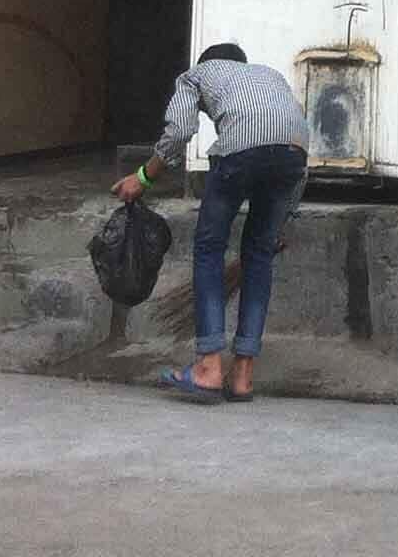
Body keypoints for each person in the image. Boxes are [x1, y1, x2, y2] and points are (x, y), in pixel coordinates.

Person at [113, 41, 309, 403]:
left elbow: (179, 131)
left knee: (209, 248)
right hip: (294, 153)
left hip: (242, 149)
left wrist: (142, 177)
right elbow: (294, 141)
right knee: (259, 257)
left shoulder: (196, 74)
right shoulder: (271, 76)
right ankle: (243, 376)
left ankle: (208, 367)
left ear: (209, 64)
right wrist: (285, 221)